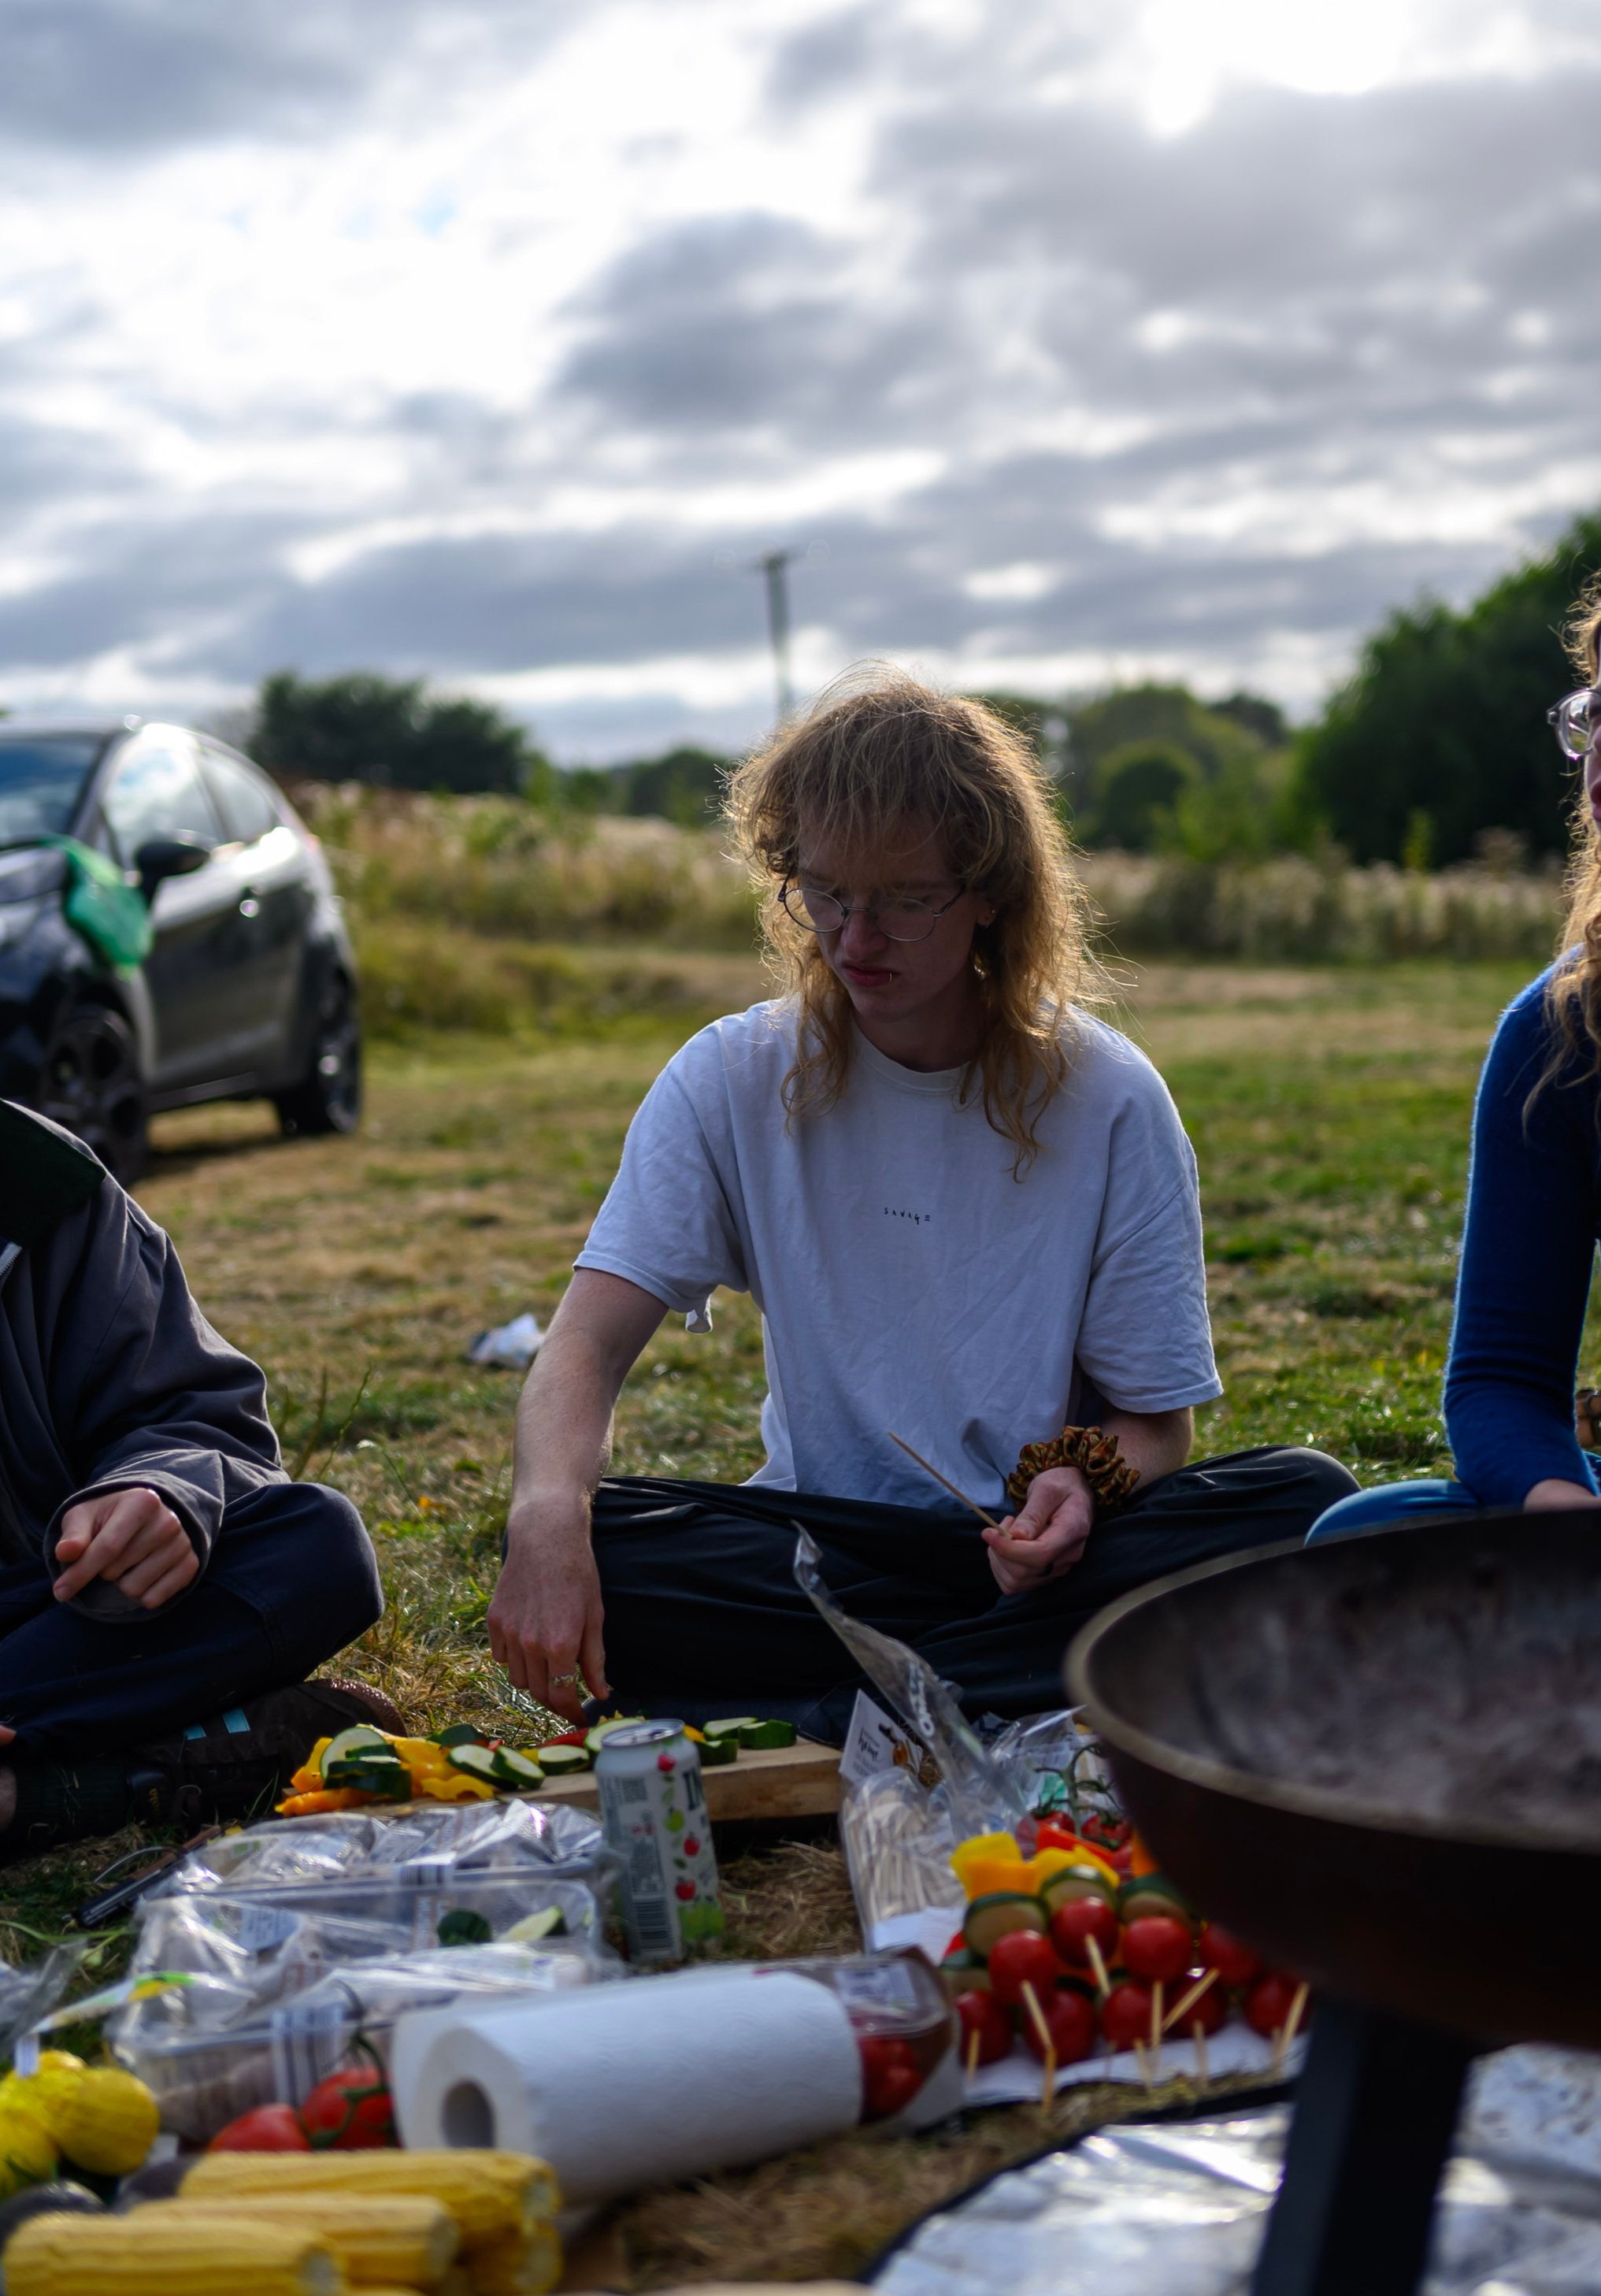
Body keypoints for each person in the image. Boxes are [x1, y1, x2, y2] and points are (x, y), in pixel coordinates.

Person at [490, 670, 1357, 1739]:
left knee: (1306, 1507)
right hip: (822, 1550)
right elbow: (581, 1345)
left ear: (990, 889)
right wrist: (544, 1517)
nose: (855, 939)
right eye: (826, 893)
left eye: (905, 898)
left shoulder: (1110, 1098)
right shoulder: (729, 1076)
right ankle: (1006, 1691)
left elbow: (1152, 1423)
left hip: (1042, 1557)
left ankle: (845, 1704)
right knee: (608, 1542)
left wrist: (1077, 1494)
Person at [0, 1096, 394, 1858]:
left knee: (313, 1545)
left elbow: (198, 1416)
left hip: (37, 1628)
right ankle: (82, 1786)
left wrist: (163, 1493)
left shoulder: (35, 1179)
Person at [1311, 582, 1601, 1543]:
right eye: (1596, 711)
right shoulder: (1557, 1036)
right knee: (1359, 1543)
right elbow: (1501, 1383)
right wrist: (1560, 1521)